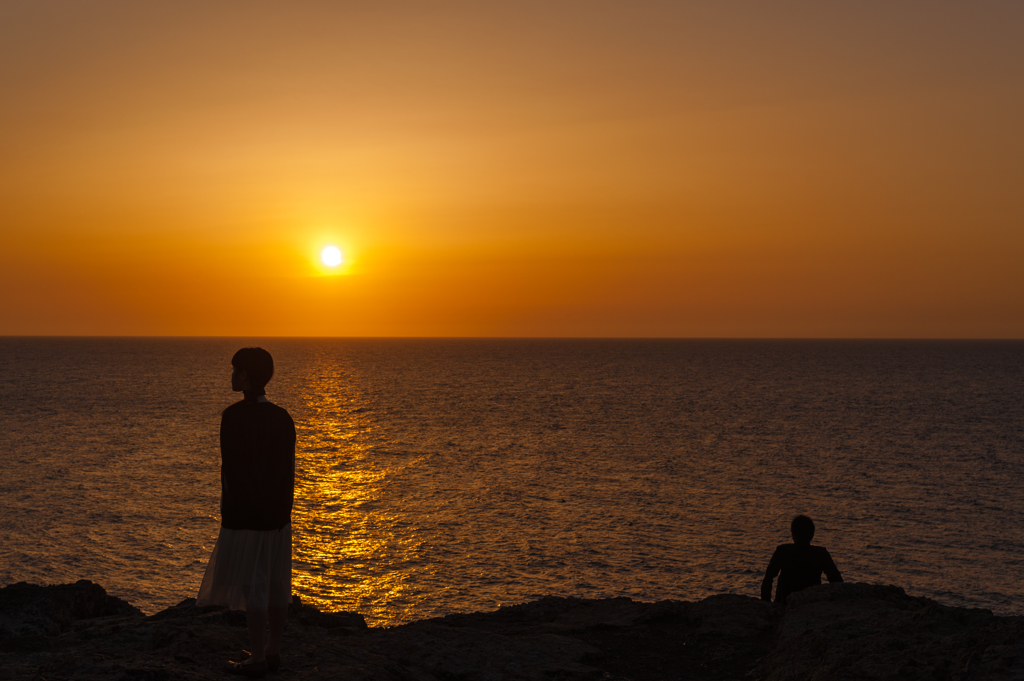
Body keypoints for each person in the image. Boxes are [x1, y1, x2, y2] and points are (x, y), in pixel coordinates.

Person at [196, 348, 296, 678]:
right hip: (278, 515)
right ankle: (273, 649)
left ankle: (256, 657)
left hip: (245, 515)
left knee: (253, 585)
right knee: (276, 582)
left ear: (246, 377)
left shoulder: (234, 416)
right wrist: (282, 510)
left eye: (235, 370)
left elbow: (233, 471)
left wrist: (232, 511)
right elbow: (287, 471)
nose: (231, 376)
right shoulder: (283, 417)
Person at [761, 515, 842, 605]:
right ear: (812, 535)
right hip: (811, 603)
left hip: (785, 603)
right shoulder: (821, 553)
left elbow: (768, 579)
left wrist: (766, 603)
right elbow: (837, 581)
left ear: (793, 534)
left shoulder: (783, 551)